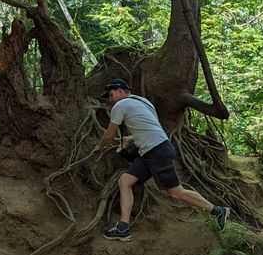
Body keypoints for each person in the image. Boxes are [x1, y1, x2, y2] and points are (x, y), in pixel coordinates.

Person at [94, 78, 230, 241]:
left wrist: (99, 146)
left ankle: (217, 211)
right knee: (125, 181)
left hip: (157, 151)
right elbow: (150, 126)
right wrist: (131, 138)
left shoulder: (120, 105)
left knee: (176, 192)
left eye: (111, 95)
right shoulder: (143, 102)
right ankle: (123, 228)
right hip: (152, 150)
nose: (110, 99)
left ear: (120, 91)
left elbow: (109, 134)